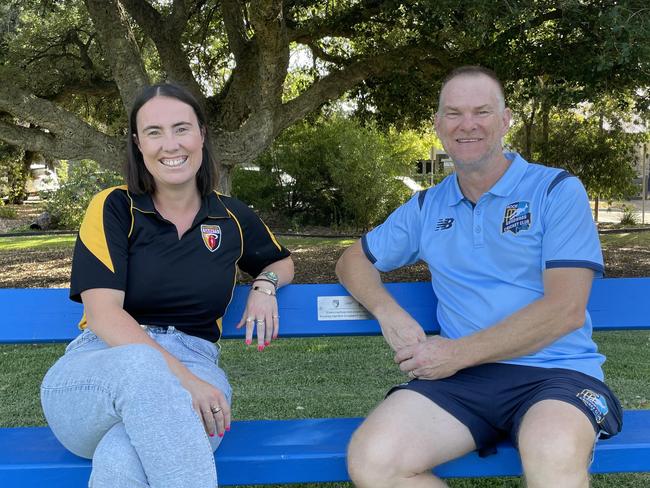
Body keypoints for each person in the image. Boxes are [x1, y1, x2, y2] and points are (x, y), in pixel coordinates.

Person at [336, 66, 622, 488]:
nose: (466, 124)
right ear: (437, 126)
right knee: (375, 460)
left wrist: (454, 354)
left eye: (481, 112)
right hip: (466, 383)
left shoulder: (555, 190)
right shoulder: (427, 206)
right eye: (453, 113)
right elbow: (351, 262)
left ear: (505, 121)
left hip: (557, 374)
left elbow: (565, 310)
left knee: (553, 452)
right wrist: (387, 312)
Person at [40, 83, 294, 488]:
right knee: (142, 367)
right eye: (154, 132)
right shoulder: (114, 207)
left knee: (122, 460)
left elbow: (280, 260)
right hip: (101, 372)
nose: (170, 144)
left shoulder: (231, 216)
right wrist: (184, 382)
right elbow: (104, 314)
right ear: (138, 143)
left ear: (202, 135)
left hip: (197, 361)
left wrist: (265, 285)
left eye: (181, 128)